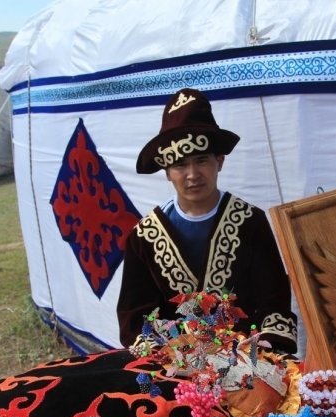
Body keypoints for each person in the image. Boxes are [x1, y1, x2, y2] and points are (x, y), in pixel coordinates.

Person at [117, 87, 298, 355]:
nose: (192, 174)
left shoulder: (251, 222)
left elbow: (273, 302)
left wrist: (258, 350)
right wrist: (169, 354)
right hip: (174, 365)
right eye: (180, 165)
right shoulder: (144, 237)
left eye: (202, 161)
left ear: (220, 161)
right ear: (167, 172)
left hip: (247, 360)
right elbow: (136, 317)